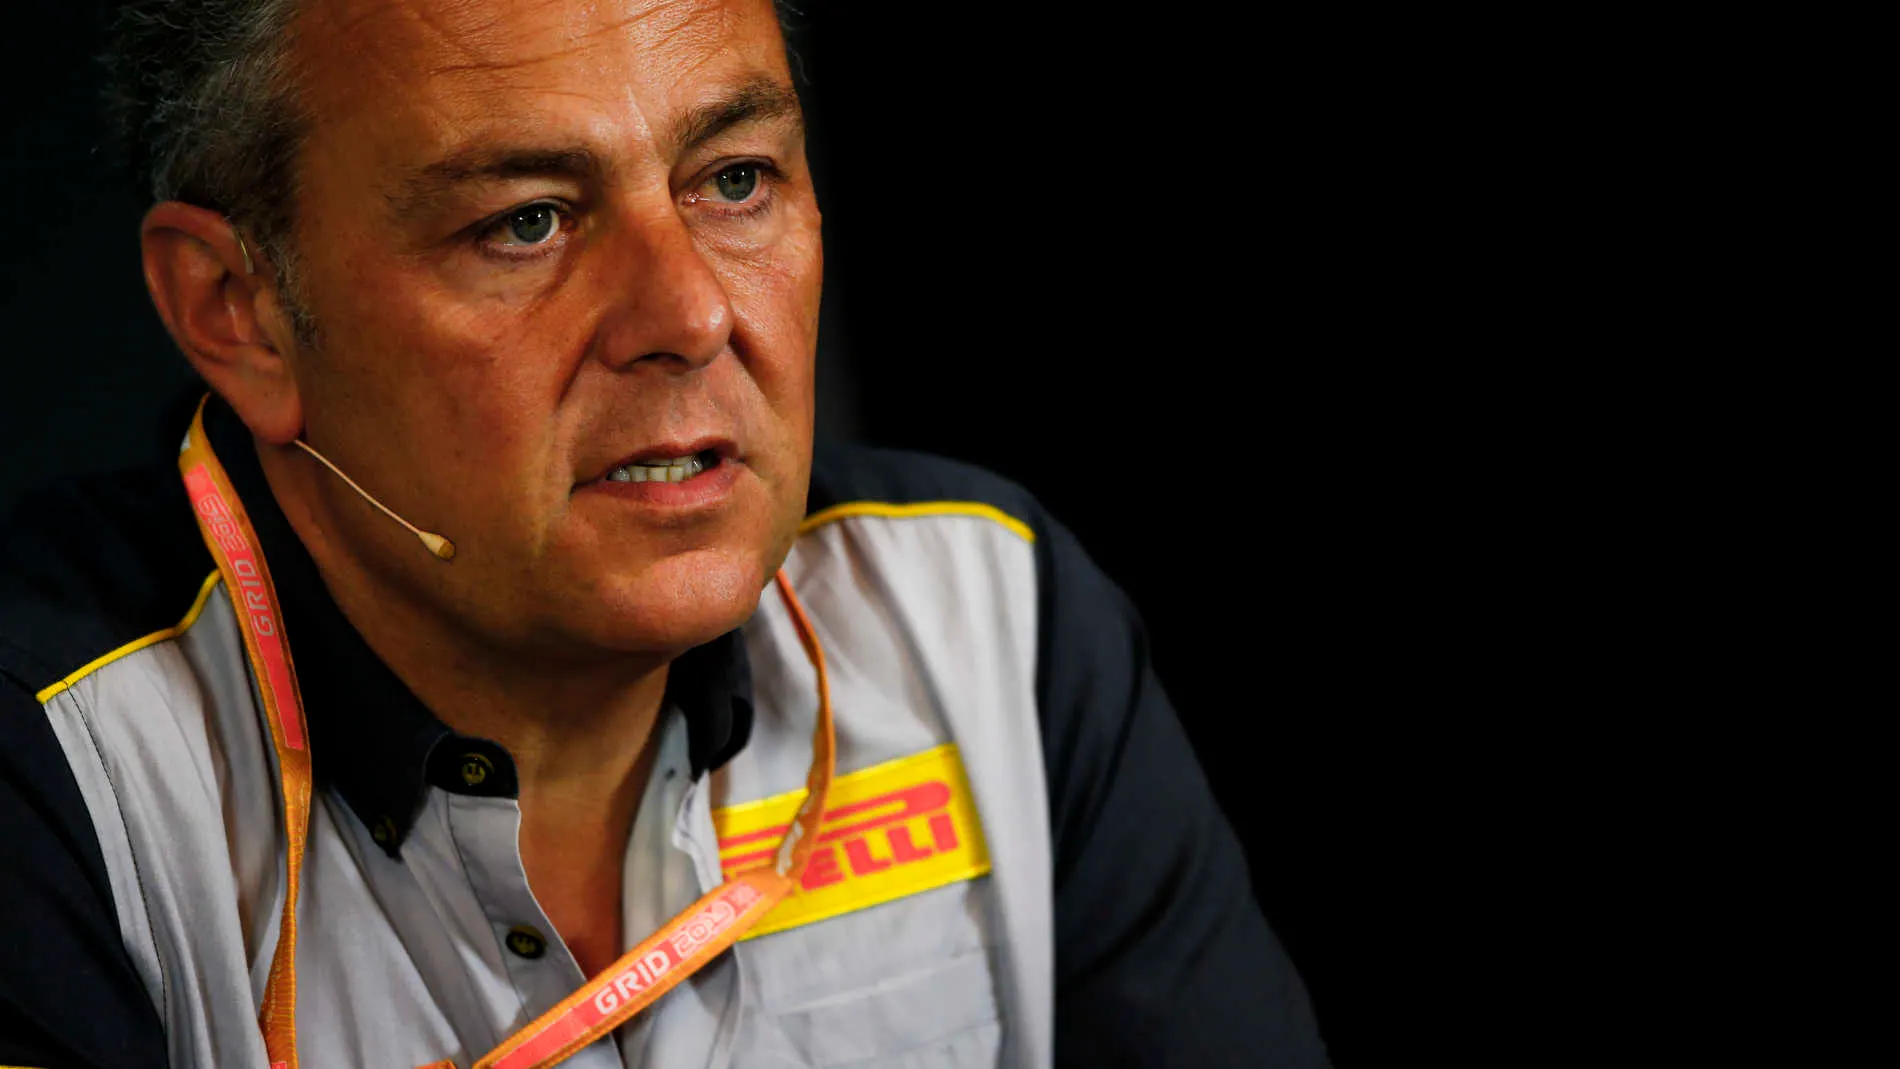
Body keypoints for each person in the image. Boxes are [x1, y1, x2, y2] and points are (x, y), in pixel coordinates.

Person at [0, 1, 1324, 1066]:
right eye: (527, 221)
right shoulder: (53, 763)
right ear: (239, 308)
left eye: (734, 180)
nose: (689, 313)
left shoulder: (985, 608)